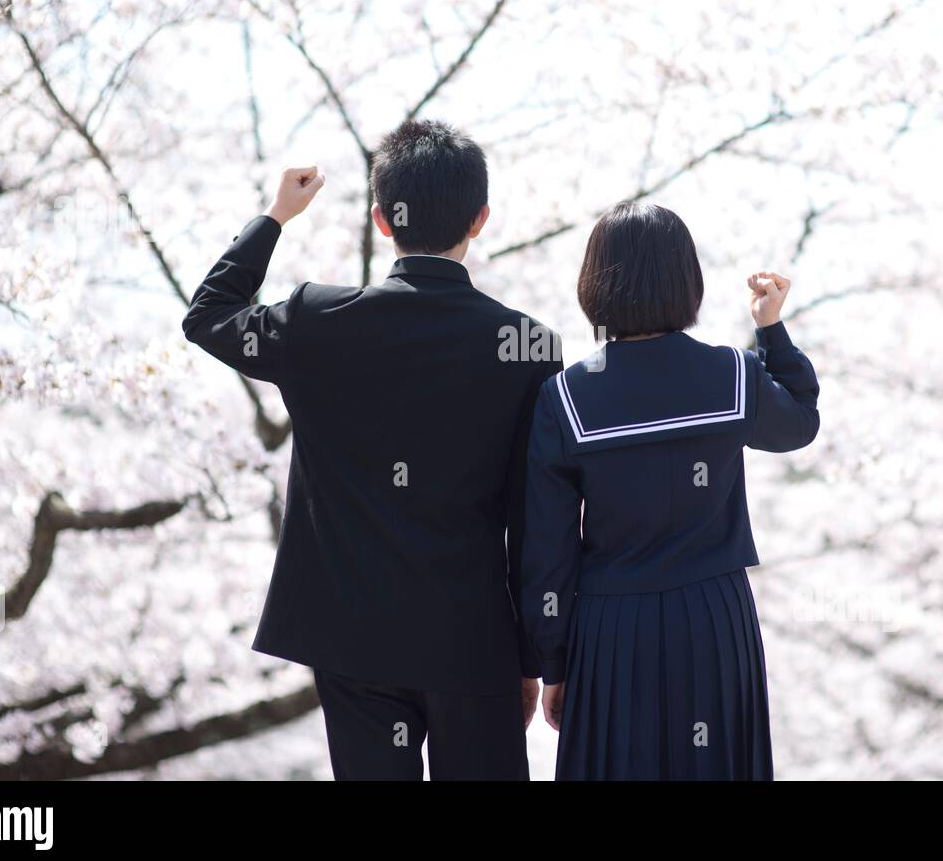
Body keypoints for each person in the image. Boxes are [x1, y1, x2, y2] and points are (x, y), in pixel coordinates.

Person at [182, 120, 560, 779]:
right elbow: (536, 522)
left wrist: (276, 216)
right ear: (481, 218)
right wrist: (531, 658)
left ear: (383, 220)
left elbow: (209, 315)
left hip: (354, 641)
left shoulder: (318, 320)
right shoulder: (527, 345)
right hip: (472, 642)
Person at [521, 201, 820, 780]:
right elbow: (800, 422)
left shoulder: (565, 398)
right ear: (688, 280)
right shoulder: (732, 374)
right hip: (714, 621)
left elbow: (546, 550)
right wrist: (771, 329)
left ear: (595, 283)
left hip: (610, 632)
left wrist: (552, 664)